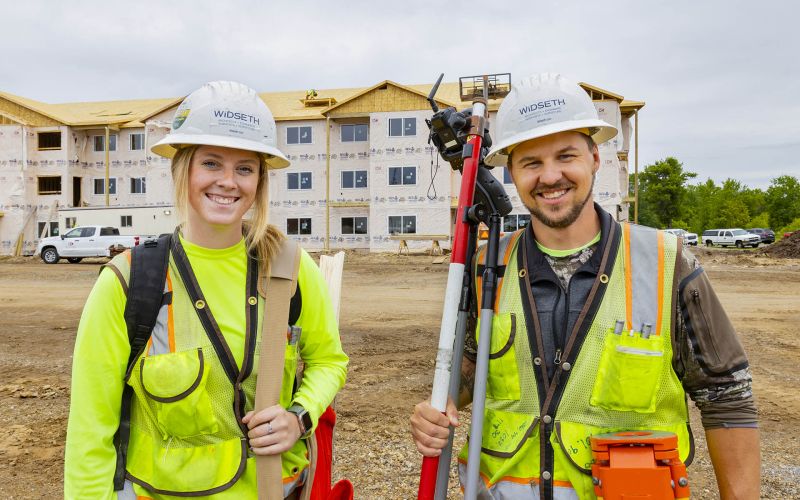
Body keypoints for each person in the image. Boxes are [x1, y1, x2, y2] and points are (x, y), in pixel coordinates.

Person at [410, 73, 759, 499]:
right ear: (512, 172)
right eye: (531, 162)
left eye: (566, 156)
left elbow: (726, 396)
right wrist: (440, 405)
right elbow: (469, 366)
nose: (550, 176)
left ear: (595, 157)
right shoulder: (489, 264)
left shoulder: (665, 262)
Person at [64, 81, 348, 499]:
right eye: (211, 164)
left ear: (260, 181)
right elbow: (90, 429)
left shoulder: (288, 269)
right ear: (183, 170)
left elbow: (328, 362)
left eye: (245, 169)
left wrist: (299, 417)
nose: (228, 182)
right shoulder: (130, 282)